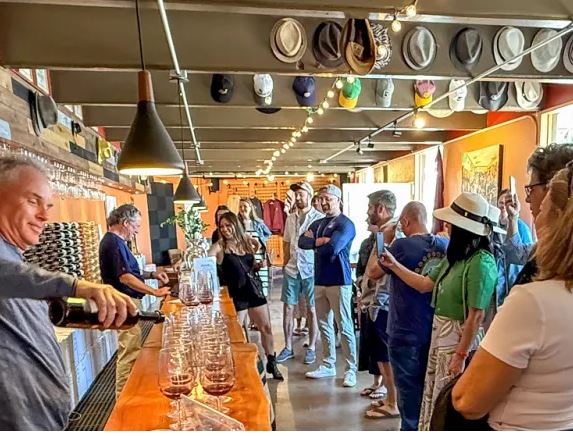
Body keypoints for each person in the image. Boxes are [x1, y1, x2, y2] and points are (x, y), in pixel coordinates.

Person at [0, 155, 137, 430]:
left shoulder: (15, 257)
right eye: (33, 201)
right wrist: (76, 286)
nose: (45, 216)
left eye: (48, 205)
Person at [453, 162, 573, 431]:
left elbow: (467, 401)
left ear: (557, 221)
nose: (534, 216)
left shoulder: (533, 301)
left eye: (541, 210)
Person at [378, 193, 501, 430]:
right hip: (441, 338)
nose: (446, 227)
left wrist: (460, 355)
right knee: (435, 398)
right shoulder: (455, 258)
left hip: (458, 341)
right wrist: (394, 265)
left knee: (448, 402)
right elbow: (425, 284)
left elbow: (476, 315)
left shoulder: (481, 262)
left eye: (451, 223)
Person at [366, 201, 448, 430]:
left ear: (404, 221)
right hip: (435, 328)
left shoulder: (401, 246)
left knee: (409, 396)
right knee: (430, 393)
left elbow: (373, 272)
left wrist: (384, 240)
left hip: (405, 329)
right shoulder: (444, 245)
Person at [99, 204, 171, 398]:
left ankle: (129, 395)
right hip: (124, 303)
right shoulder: (114, 243)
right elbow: (125, 277)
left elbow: (132, 272)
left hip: (126, 302)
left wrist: (152, 275)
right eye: (136, 226)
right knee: (129, 352)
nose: (137, 230)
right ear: (125, 223)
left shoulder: (116, 242)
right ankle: (123, 400)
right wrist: (154, 291)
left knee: (132, 348)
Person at [208, 211, 283, 380]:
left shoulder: (246, 241)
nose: (225, 229)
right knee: (236, 334)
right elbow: (206, 259)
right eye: (222, 226)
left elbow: (253, 256)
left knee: (266, 328)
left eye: (228, 225)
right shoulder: (220, 246)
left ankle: (272, 362)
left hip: (253, 290)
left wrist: (258, 264)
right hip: (235, 295)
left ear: (236, 225)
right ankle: (236, 367)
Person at [298, 184, 357, 387]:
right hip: (319, 279)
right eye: (321, 199)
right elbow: (301, 243)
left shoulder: (346, 224)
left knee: (344, 326)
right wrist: (319, 241)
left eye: (328, 199)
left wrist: (318, 243)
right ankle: (328, 363)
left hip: (339, 280)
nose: (324, 203)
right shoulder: (318, 223)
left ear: (338, 200)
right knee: (323, 324)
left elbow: (333, 248)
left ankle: (350, 369)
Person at [501, 143, 573, 285]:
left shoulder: (558, 261)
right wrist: (513, 218)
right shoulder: (546, 246)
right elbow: (515, 254)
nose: (527, 199)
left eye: (531, 189)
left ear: (552, 188)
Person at [356, 190, 399, 419]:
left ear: (380, 208)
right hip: (376, 302)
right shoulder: (383, 233)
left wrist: (373, 300)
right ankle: (390, 397)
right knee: (381, 356)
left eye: (370, 208)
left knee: (385, 356)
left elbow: (376, 270)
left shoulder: (390, 233)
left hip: (382, 303)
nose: (367, 213)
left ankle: (394, 402)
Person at [277, 182, 323, 365]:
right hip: (292, 268)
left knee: (312, 308)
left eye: (301, 194)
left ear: (309, 196)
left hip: (310, 269)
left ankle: (311, 347)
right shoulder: (290, 218)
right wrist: (285, 263)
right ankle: (288, 346)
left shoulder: (318, 218)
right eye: (296, 195)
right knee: (288, 307)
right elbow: (286, 242)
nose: (298, 198)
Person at [494, 189, 533, 305]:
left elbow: (524, 257)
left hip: (513, 281)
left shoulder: (522, 228)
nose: (503, 206)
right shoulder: (492, 226)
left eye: (507, 203)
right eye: (501, 203)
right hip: (496, 284)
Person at [238, 198, 272, 298]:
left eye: (245, 206)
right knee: (247, 287)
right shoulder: (237, 224)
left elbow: (268, 234)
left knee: (261, 286)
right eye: (240, 206)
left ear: (250, 208)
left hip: (259, 258)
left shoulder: (258, 223)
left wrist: (260, 242)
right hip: (244, 259)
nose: (242, 208)